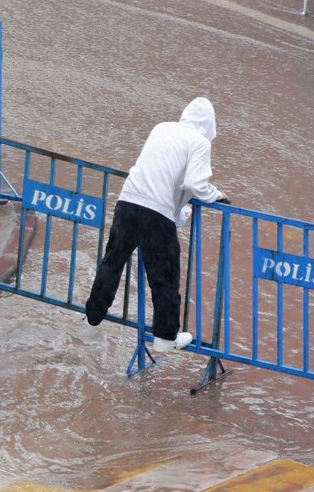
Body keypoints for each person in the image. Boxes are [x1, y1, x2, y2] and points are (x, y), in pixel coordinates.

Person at [84, 97, 229, 352]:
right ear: (210, 125)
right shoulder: (200, 142)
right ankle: (165, 337)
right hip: (156, 214)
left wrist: (178, 210)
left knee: (113, 260)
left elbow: (161, 173)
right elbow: (195, 184)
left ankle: (94, 313)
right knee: (165, 276)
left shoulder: (162, 128)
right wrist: (216, 195)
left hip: (128, 201)